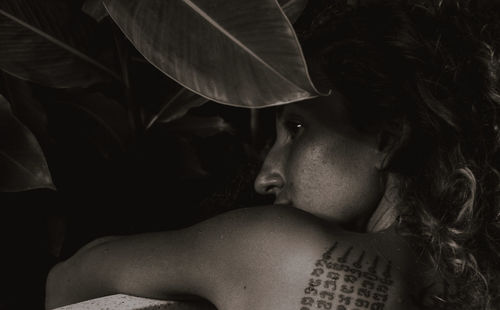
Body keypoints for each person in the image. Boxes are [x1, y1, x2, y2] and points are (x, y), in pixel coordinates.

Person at [45, 0, 500, 309]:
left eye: (297, 128)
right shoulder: (475, 286)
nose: (265, 177)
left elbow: (65, 281)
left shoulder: (282, 249)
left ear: (390, 136)